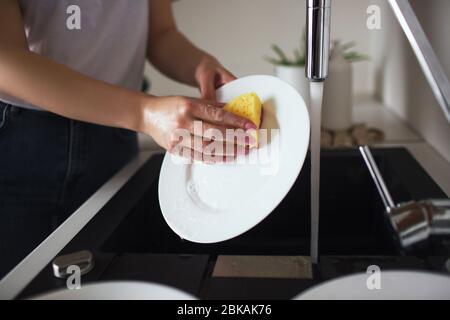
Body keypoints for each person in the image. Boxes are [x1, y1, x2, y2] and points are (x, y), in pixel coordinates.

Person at [0, 0, 254, 277]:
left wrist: (199, 65)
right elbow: (4, 57)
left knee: (99, 283)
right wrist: (145, 113)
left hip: (113, 137)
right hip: (21, 141)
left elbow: (160, 33)